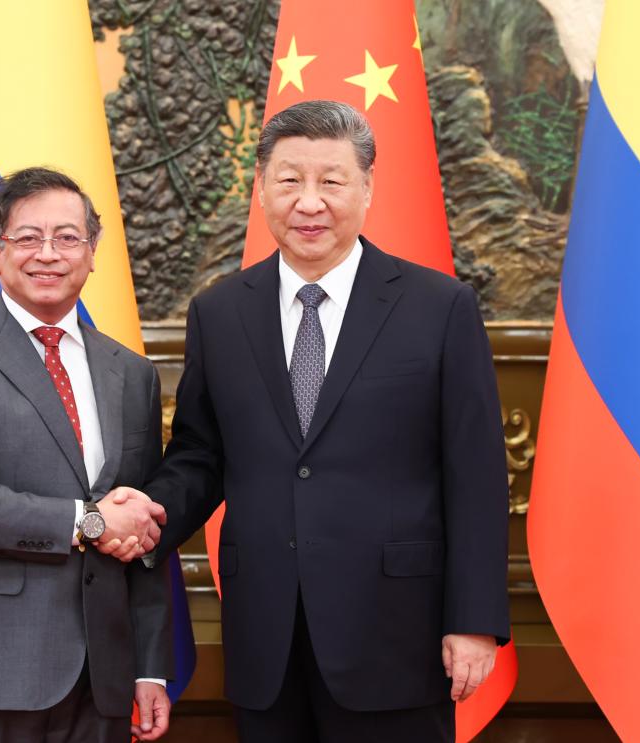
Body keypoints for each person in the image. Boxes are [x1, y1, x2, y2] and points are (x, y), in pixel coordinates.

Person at [115, 100, 510, 742]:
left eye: (331, 181)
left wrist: (474, 619)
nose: (309, 202)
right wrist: (146, 515)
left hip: (396, 634)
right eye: (290, 180)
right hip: (265, 635)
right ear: (261, 188)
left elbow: (476, 474)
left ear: (367, 188)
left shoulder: (439, 307)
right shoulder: (220, 313)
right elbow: (200, 455)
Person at [0, 167, 174, 742]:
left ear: (92, 252)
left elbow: (143, 525)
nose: (48, 253)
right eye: (27, 237)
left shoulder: (132, 374)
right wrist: (90, 521)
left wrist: (149, 667)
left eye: (67, 237)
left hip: (101, 681)